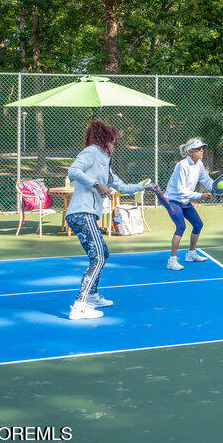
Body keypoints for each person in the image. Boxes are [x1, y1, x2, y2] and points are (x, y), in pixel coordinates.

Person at [65, 120, 147, 320]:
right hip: (81, 213)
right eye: (113, 142)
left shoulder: (105, 163)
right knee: (98, 257)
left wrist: (146, 186)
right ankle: (79, 305)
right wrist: (96, 185)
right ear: (105, 140)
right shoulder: (92, 152)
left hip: (87, 214)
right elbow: (73, 171)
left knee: (103, 253)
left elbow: (123, 186)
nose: (114, 147)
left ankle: (91, 296)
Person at [164, 137, 215, 270]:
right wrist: (200, 195)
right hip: (173, 200)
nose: (202, 151)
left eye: (202, 148)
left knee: (198, 224)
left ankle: (191, 254)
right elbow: (181, 191)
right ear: (190, 152)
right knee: (181, 226)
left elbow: (206, 179)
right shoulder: (181, 165)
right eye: (198, 149)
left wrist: (215, 187)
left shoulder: (199, 164)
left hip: (185, 201)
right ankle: (172, 260)